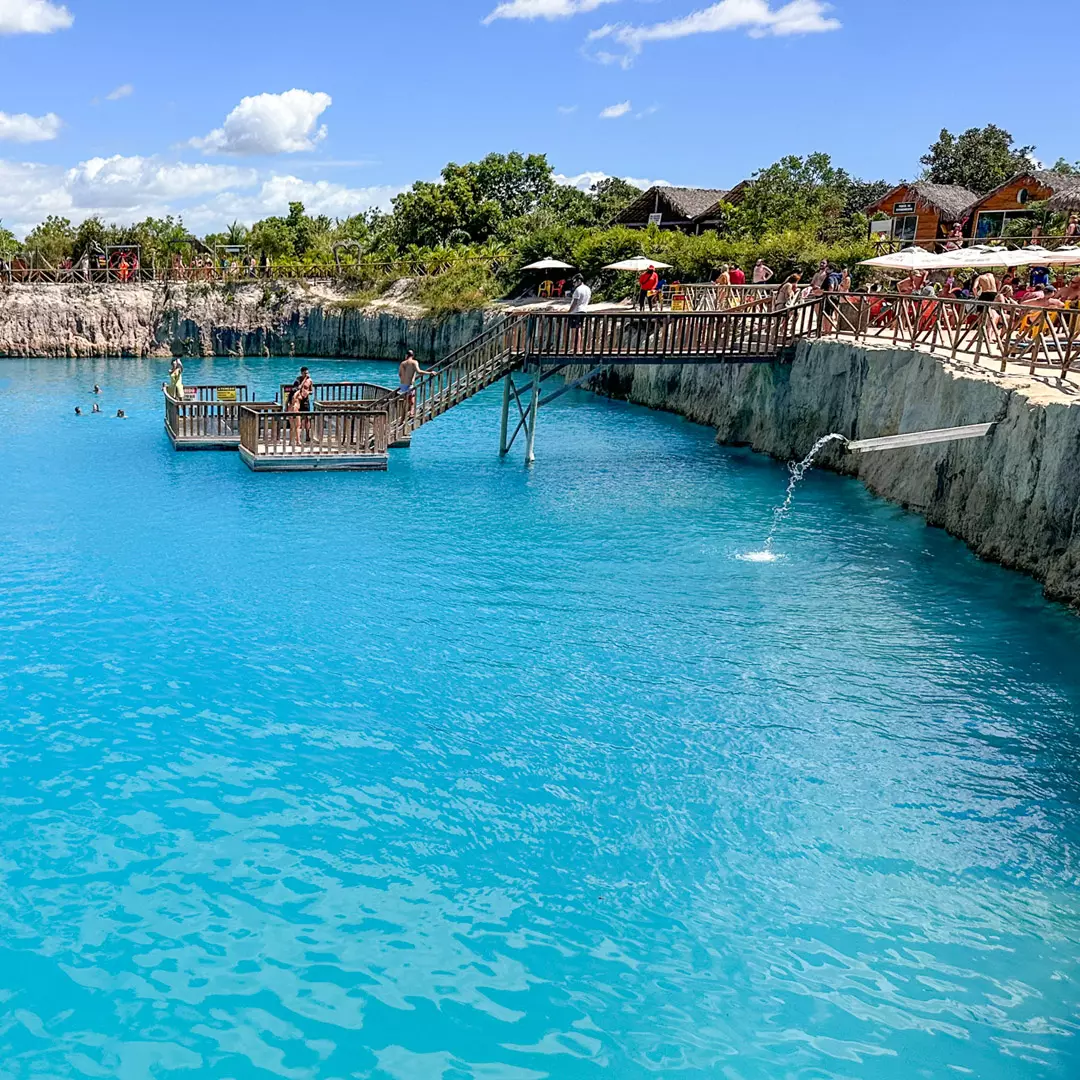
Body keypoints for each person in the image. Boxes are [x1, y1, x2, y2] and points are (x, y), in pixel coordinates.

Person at [397, 350, 435, 417]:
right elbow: (419, 371)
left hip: (402, 385)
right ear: (413, 356)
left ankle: (403, 418)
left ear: (406, 355)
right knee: (412, 400)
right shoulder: (414, 362)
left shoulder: (402, 363)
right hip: (409, 385)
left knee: (406, 401)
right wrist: (430, 373)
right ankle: (411, 413)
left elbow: (400, 374)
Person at [568, 274, 592, 351]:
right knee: (579, 330)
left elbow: (575, 302)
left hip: (576, 311)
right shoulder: (588, 289)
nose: (574, 283)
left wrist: (569, 311)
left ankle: (574, 348)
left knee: (575, 330)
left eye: (574, 281)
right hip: (584, 310)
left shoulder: (578, 290)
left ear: (579, 280)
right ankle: (578, 348)